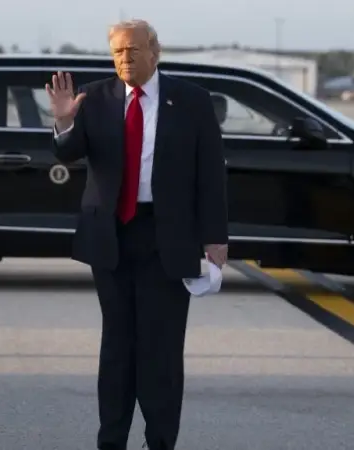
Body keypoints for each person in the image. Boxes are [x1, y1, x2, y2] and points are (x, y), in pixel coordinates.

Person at [46, 19, 228, 450]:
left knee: (160, 349)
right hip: (111, 236)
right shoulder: (94, 97)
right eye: (117, 52)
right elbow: (68, 153)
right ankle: (111, 441)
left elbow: (210, 173)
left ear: (154, 52)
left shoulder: (191, 100)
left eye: (132, 50)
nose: (124, 59)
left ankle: (160, 440)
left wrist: (215, 237)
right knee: (117, 346)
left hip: (167, 236)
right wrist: (64, 122)